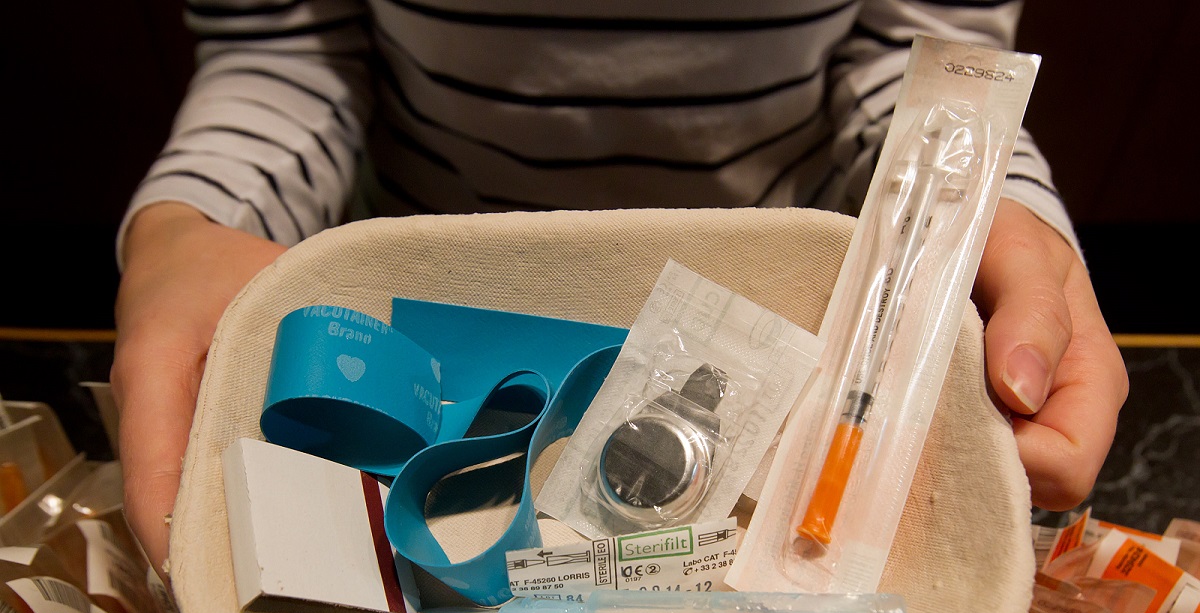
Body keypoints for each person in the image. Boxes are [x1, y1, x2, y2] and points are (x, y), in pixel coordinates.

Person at [111, 0, 1128, 576]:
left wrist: (982, 216)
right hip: (433, 309)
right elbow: (288, 41)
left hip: (793, 327)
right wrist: (193, 223)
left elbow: (924, 58)